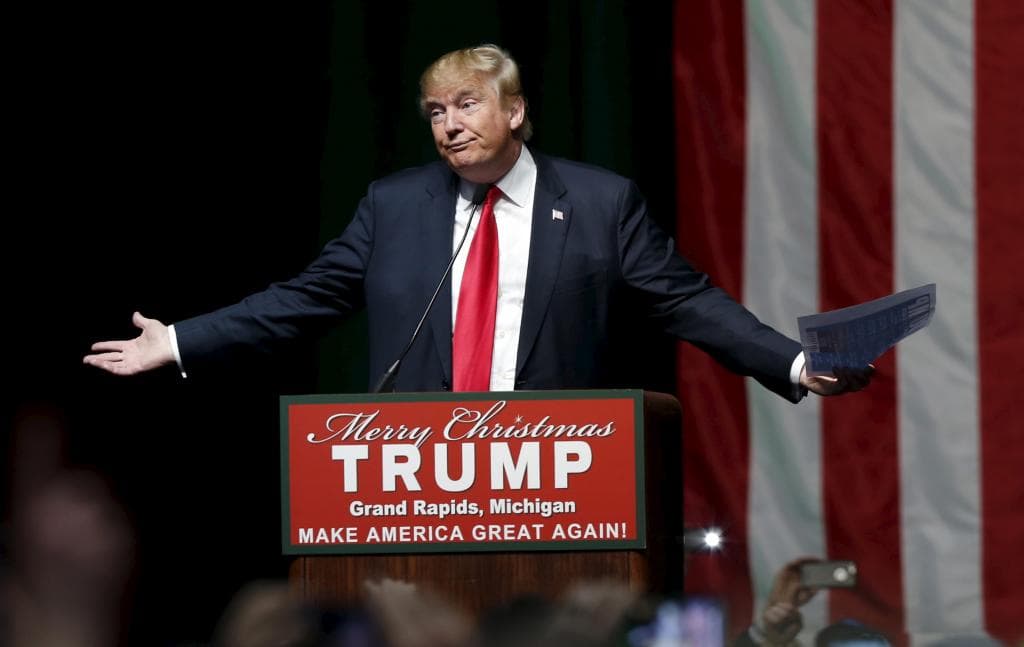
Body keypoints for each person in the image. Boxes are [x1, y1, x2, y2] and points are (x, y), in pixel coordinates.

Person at [83, 44, 871, 399]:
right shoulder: (395, 207)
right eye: (435, 111)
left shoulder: (600, 204)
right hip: (417, 489)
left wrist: (797, 365)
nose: (449, 125)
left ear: (516, 110)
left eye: (467, 105)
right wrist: (181, 339)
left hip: (552, 485)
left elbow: (688, 301)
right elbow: (302, 299)